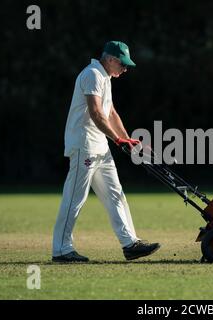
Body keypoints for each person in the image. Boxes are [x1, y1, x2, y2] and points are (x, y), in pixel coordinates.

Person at [52, 41, 160, 263]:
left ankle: (130, 244)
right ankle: (61, 250)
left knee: (115, 194)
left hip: (100, 145)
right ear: (110, 59)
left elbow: (110, 112)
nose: (125, 69)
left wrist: (126, 139)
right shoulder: (92, 74)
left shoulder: (105, 77)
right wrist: (117, 139)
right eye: (123, 64)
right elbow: (95, 113)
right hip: (84, 145)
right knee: (75, 198)